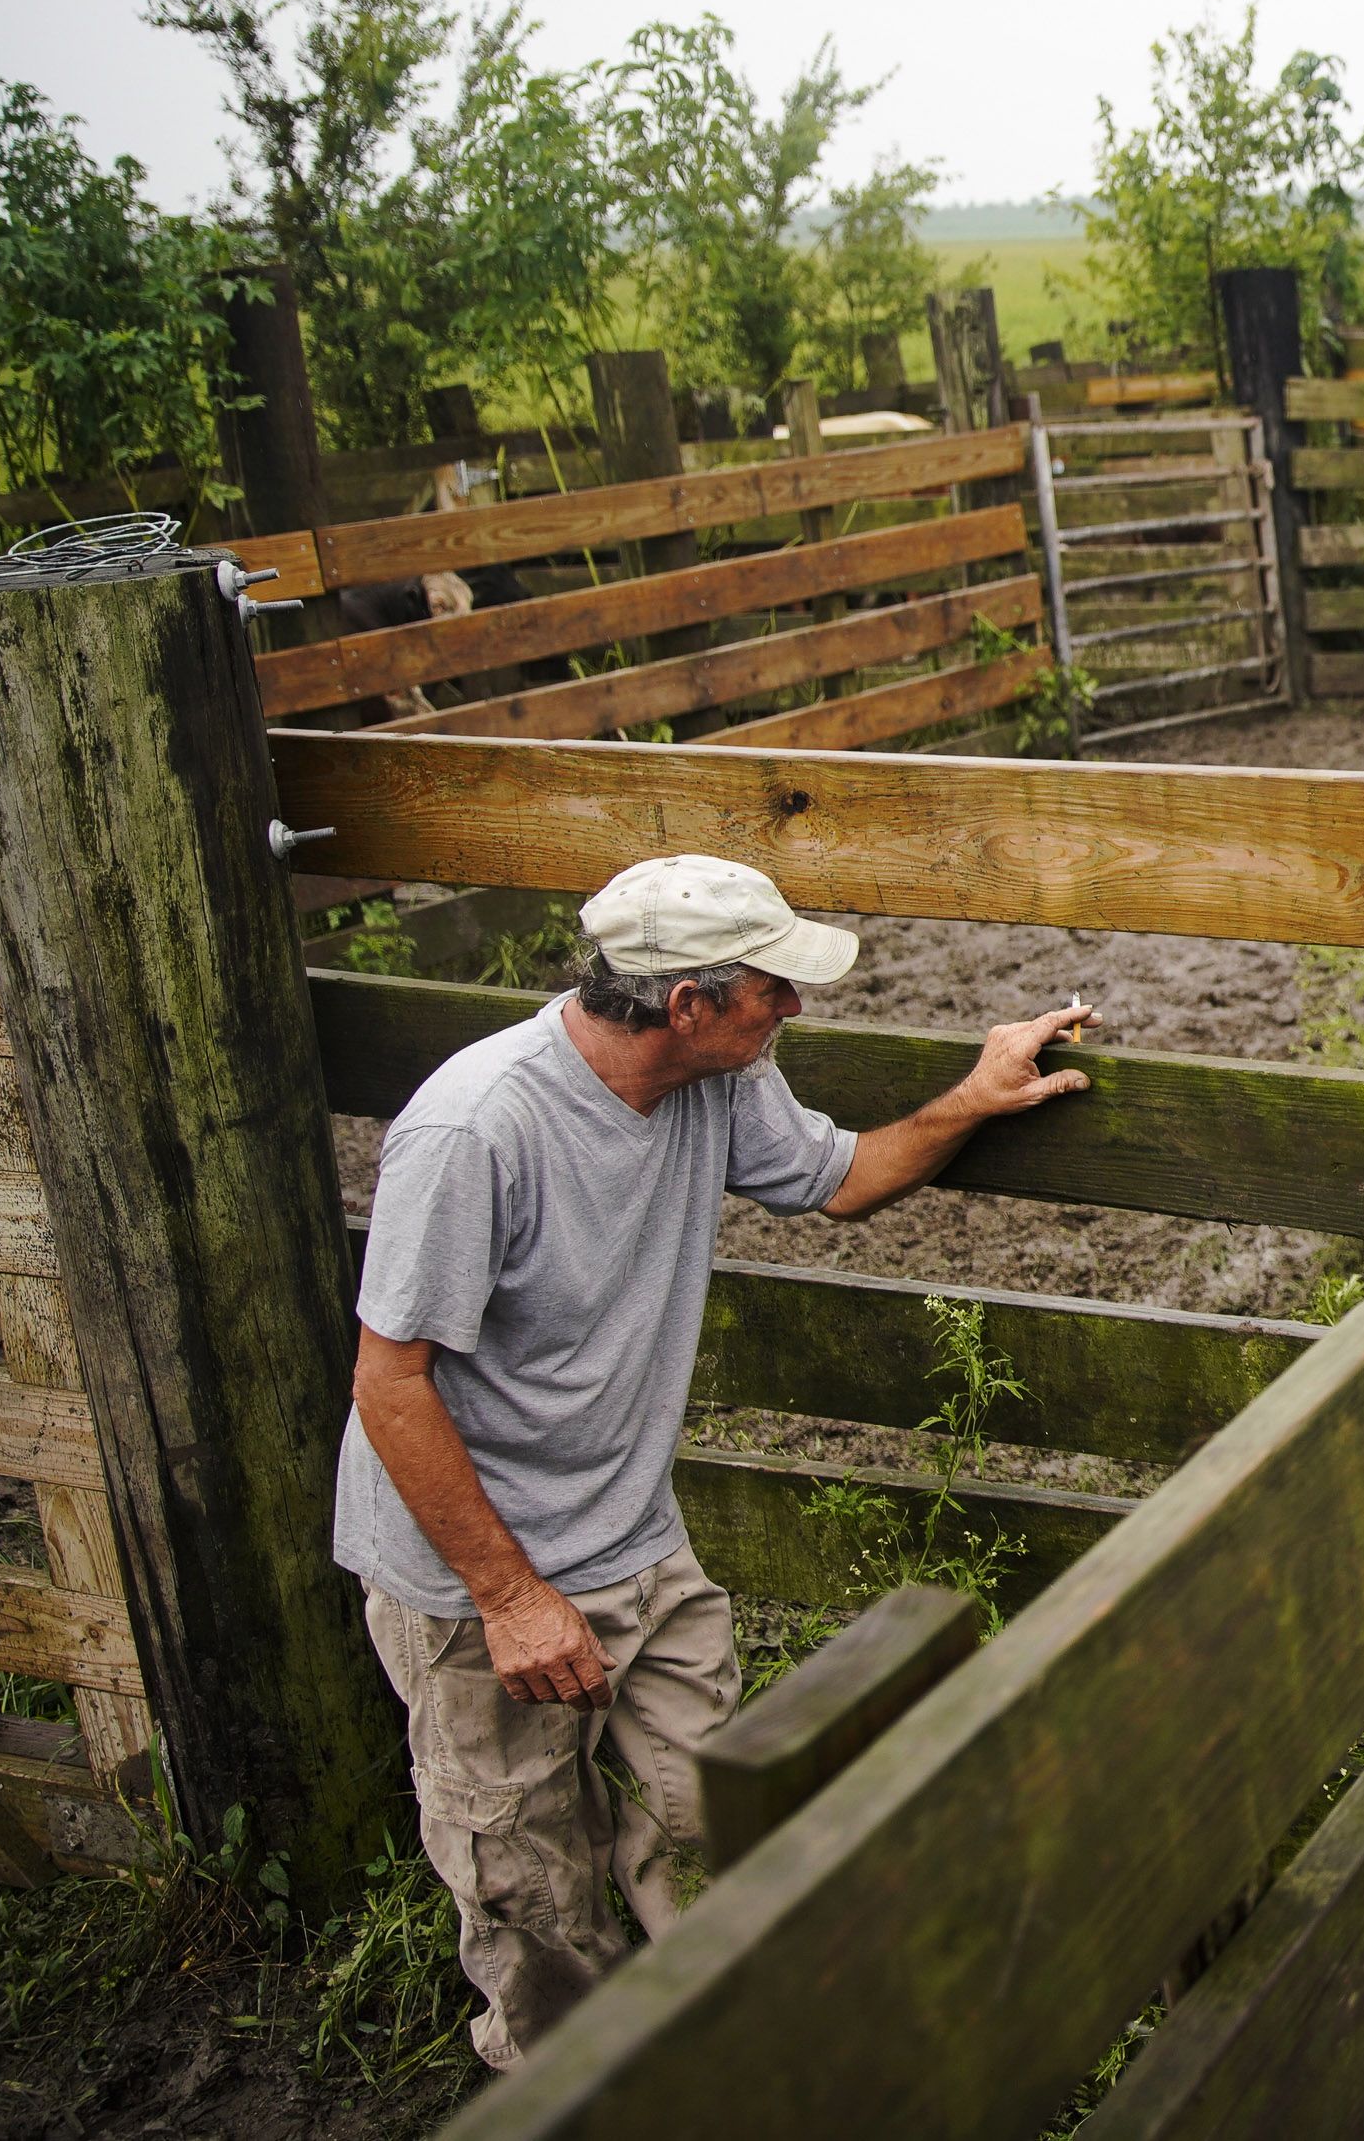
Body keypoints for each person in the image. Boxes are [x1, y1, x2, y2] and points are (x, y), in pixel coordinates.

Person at [332, 852, 1095, 2070]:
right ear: (687, 1003)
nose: (793, 1005)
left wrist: (975, 1094)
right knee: (528, 1871)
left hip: (633, 1535)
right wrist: (514, 1598)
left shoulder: (719, 1080)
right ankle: (569, 2085)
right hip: (480, 1571)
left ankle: (726, 2063)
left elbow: (839, 1179)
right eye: (772, 987)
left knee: (708, 1817)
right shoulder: (478, 1127)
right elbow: (390, 1378)